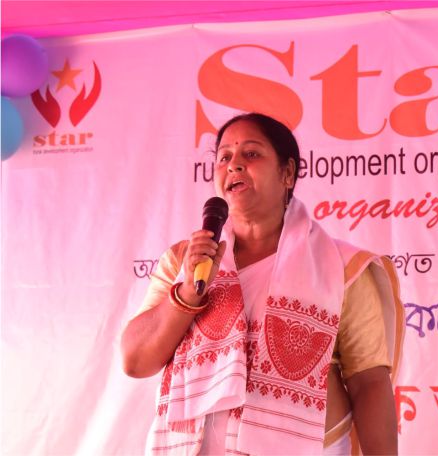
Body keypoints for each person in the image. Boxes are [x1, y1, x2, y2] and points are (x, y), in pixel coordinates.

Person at [121, 113, 405, 455]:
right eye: (224, 157)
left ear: (287, 173)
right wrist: (186, 294)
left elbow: (369, 382)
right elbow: (135, 361)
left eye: (251, 154)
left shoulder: (341, 267)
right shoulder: (185, 261)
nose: (234, 165)